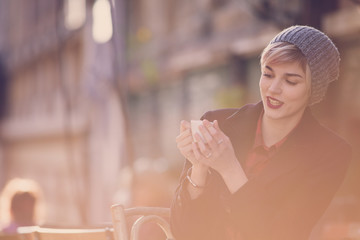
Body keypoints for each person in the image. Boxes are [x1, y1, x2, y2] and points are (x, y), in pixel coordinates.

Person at [170, 25, 352, 240]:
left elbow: (279, 234)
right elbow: (183, 232)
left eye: (290, 81)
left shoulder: (331, 152)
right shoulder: (216, 124)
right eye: (268, 74)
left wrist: (230, 169)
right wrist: (199, 170)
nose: (273, 89)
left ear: (313, 89)